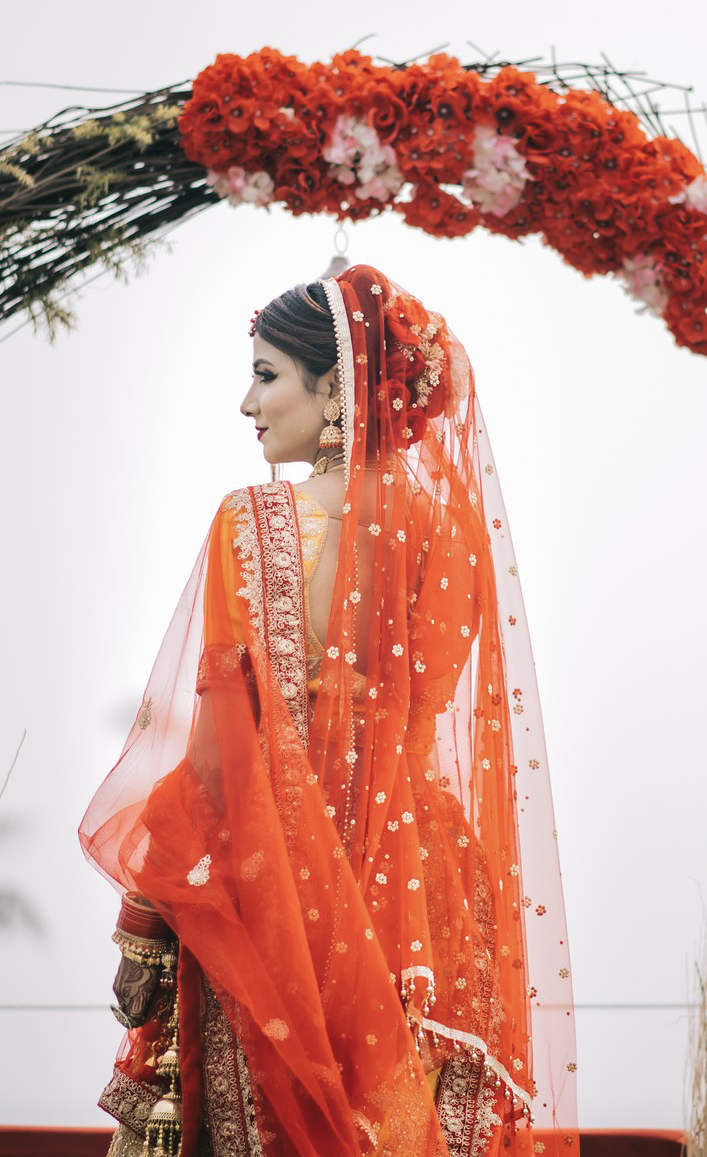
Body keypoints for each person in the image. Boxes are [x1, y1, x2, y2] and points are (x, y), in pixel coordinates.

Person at [80, 265, 576, 1157]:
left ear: (338, 386)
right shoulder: (454, 534)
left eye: (267, 374)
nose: (246, 402)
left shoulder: (253, 522)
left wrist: (146, 920)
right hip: (426, 893)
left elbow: (221, 752)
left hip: (280, 891)